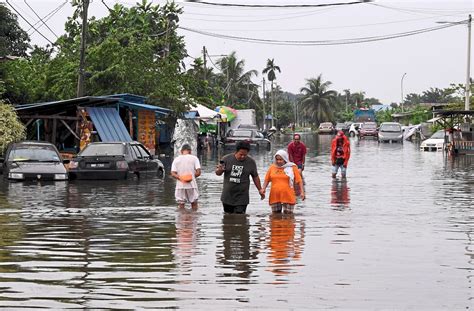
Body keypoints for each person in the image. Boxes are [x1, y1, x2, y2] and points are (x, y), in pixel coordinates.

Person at [215, 141, 265, 214]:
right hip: (227, 196)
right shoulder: (226, 159)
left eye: (245, 155)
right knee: (228, 217)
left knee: (240, 217)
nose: (243, 157)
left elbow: (255, 176)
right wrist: (220, 170)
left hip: (242, 197)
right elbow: (218, 173)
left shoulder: (251, 162)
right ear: (236, 151)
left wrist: (260, 189)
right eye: (241, 154)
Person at [260, 150, 305, 214]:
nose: (279, 161)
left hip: (288, 195)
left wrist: (302, 192)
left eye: (281, 159)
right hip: (275, 195)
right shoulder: (272, 167)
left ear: (285, 159)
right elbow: (267, 180)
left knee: (289, 218)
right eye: (277, 159)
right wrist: (263, 189)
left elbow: (299, 180)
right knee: (275, 218)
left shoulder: (292, 167)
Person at [171, 144, 201, 209]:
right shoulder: (194, 158)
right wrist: (191, 177)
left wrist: (181, 178)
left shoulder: (176, 159)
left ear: (181, 151)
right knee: (194, 204)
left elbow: (173, 173)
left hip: (180, 186)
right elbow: (198, 173)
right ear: (190, 151)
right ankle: (194, 217)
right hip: (192, 185)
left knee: (181, 205)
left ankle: (182, 218)